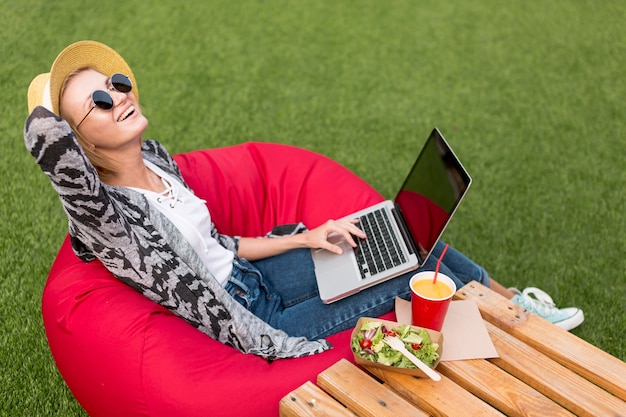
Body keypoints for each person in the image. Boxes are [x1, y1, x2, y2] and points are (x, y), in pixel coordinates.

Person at [24, 41, 583, 359]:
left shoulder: (157, 162)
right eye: (97, 100)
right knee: (406, 265)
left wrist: (308, 237)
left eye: (116, 82)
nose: (118, 95)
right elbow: (51, 150)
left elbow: (223, 246)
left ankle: (513, 304)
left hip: (258, 278)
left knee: (391, 234)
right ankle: (520, 322)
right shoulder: (110, 221)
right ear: (76, 141)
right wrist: (286, 350)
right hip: (254, 318)